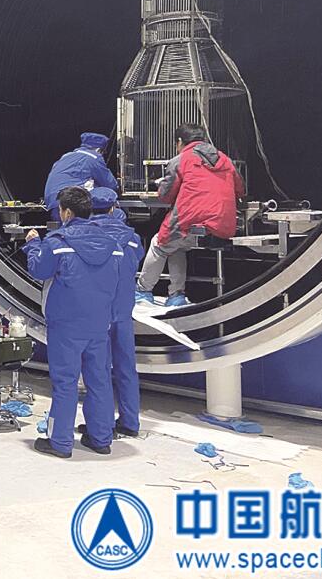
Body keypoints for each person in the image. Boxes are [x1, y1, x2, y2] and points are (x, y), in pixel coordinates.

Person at [24, 187, 119, 458]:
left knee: (65, 383)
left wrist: (33, 245)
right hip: (99, 322)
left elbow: (39, 269)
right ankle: (101, 439)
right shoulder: (111, 244)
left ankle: (60, 442)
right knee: (99, 380)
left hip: (66, 324)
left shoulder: (57, 242)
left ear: (66, 212)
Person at [136, 124, 245, 308]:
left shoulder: (180, 160)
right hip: (223, 224)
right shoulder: (225, 159)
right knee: (176, 247)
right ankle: (176, 295)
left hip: (190, 220)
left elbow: (166, 196)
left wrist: (161, 184)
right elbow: (240, 189)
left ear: (179, 141)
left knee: (159, 244)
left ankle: (143, 291)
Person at [86, 187, 146, 438]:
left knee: (98, 370)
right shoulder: (132, 237)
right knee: (126, 368)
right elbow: (139, 256)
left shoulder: (87, 235)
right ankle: (130, 422)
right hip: (123, 311)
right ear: (113, 207)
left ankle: (101, 425)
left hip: (97, 311)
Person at [43, 133, 119, 222]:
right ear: (99, 150)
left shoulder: (66, 156)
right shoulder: (93, 157)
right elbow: (110, 184)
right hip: (73, 204)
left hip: (54, 204)